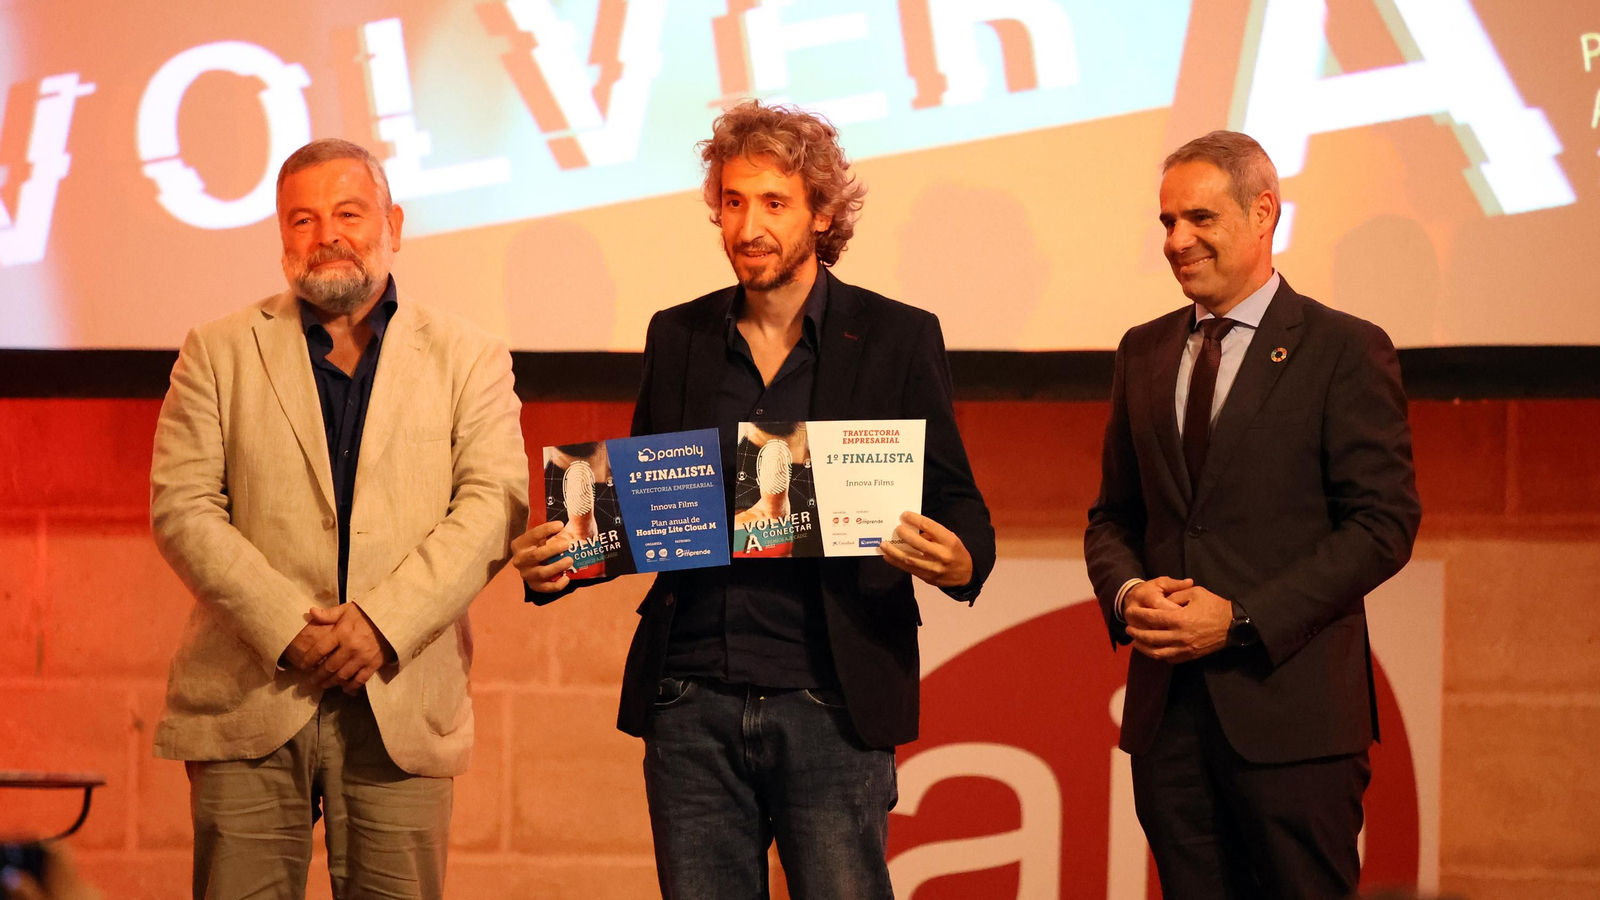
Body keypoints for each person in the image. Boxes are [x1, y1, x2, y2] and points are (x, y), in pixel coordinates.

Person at [512, 101, 994, 899]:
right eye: (732, 202)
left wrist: (961, 556)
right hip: (690, 698)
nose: (748, 226)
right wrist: (561, 560)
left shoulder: (898, 337)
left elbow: (957, 501)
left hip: (832, 702)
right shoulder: (680, 336)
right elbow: (642, 508)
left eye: (774, 203)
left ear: (823, 213)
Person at [149, 138, 529, 900]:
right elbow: (182, 507)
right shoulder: (216, 351)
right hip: (251, 692)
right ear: (281, 236)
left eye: (348, 213)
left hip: (402, 692)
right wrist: (291, 625)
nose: (327, 234)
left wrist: (380, 624)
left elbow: (493, 506)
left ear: (392, 221)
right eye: (302, 219)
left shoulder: (471, 356)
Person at [1084, 130, 1421, 900]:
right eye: (1166, 221)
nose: (1177, 240)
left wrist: (1239, 620)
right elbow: (1113, 517)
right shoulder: (1142, 351)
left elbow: (1383, 524)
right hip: (1168, 723)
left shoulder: (1345, 349)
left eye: (1199, 218)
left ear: (1264, 212)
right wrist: (1130, 594)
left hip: (1293, 723)